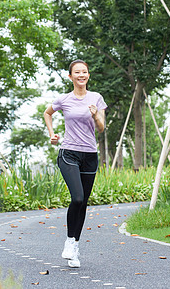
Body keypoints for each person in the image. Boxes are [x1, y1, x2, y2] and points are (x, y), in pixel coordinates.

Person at [44, 59, 107, 268]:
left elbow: (101, 128)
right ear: (70, 76)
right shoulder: (64, 99)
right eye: (77, 72)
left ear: (88, 75)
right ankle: (69, 240)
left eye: (85, 72)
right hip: (69, 152)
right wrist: (52, 134)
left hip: (89, 155)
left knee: (84, 203)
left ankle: (75, 247)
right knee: (77, 198)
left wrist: (96, 114)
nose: (81, 75)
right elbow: (47, 113)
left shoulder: (96, 98)